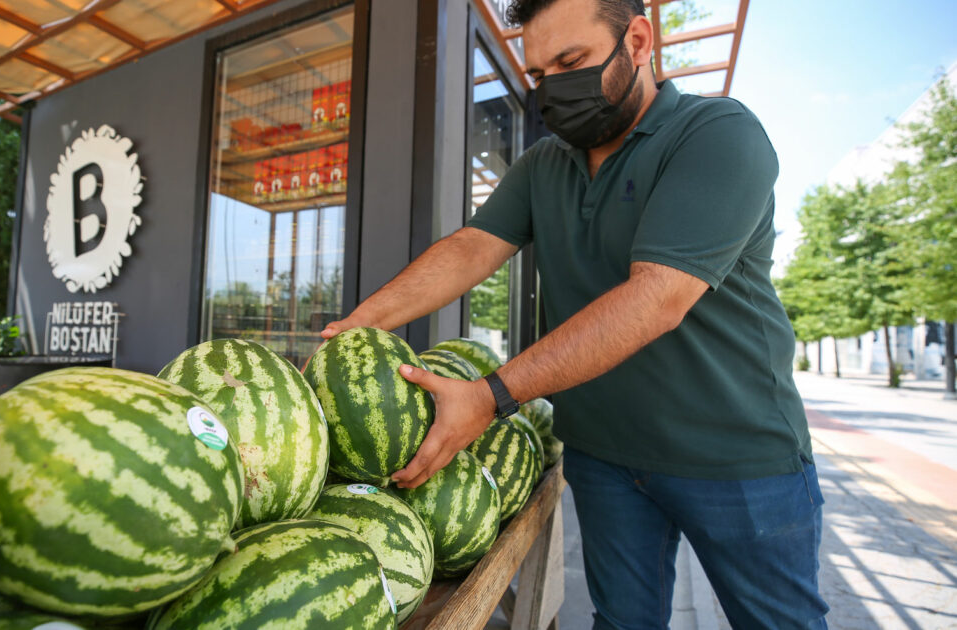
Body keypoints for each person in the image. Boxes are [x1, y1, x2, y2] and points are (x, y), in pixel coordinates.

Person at [320, 0, 829, 627]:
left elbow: (657, 298)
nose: (554, 88)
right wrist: (357, 327)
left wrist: (490, 395)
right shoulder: (544, 165)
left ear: (638, 41)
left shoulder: (718, 134)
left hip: (735, 459)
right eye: (539, 75)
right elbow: (472, 248)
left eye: (571, 61)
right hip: (604, 458)